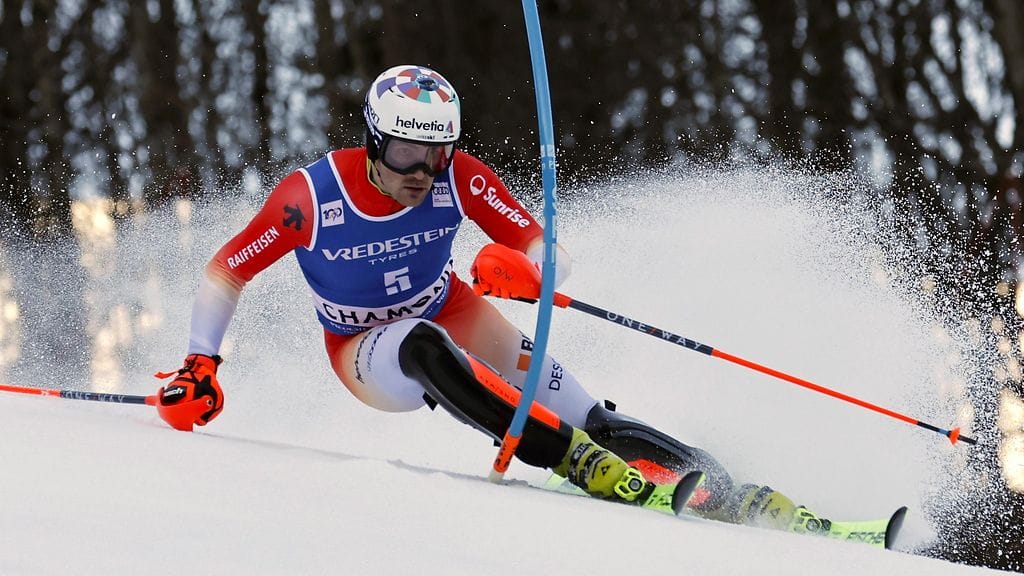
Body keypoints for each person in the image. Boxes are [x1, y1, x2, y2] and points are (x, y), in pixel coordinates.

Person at [154, 64, 829, 531]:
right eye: (405, 153)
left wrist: (529, 272)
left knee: (586, 410)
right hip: (363, 347)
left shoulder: (460, 179)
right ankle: (569, 460)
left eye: (438, 154)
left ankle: (726, 488)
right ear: (373, 141)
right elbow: (225, 271)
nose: (423, 173)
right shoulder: (310, 198)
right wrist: (200, 363)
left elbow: (545, 248)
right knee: (423, 345)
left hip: (449, 305)